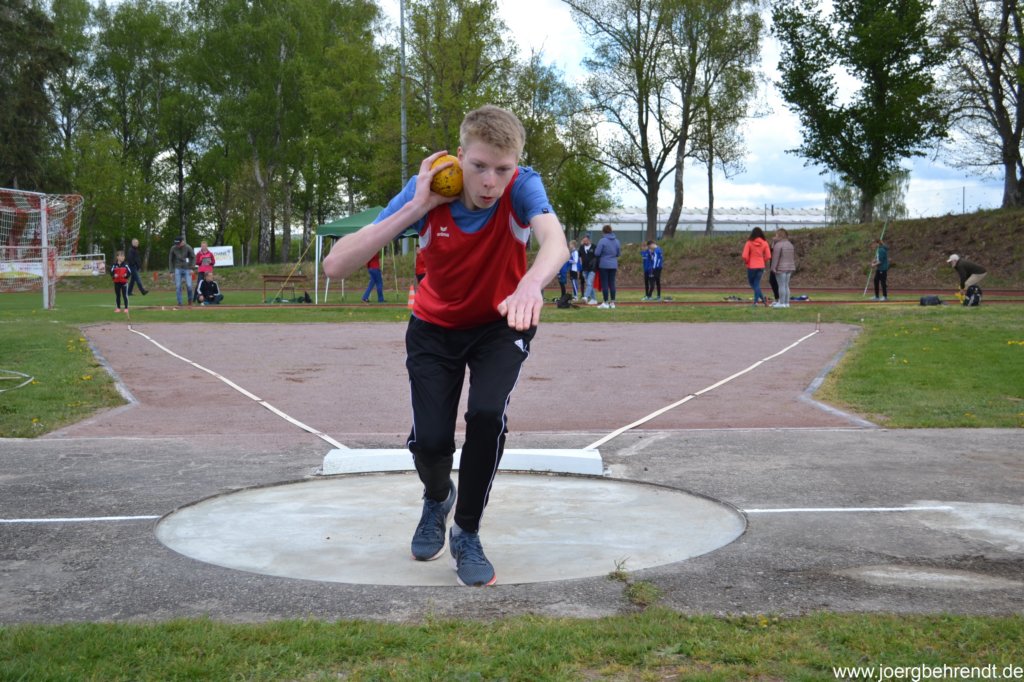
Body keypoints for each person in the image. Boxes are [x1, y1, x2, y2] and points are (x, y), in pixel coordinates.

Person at [321, 105, 568, 587]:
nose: (490, 182)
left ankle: (467, 532)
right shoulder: (431, 187)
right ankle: (437, 497)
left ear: (516, 165)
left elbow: (555, 242)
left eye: (502, 169)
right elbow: (336, 266)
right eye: (479, 166)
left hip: (503, 320)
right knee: (433, 442)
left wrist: (530, 284)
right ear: (459, 156)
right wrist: (417, 206)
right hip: (434, 327)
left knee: (486, 415)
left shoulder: (522, 187)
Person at [742, 227, 772, 307]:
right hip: (761, 266)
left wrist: (747, 262)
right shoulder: (765, 243)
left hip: (751, 266)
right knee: (756, 284)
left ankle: (756, 302)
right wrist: (763, 261)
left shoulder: (749, 242)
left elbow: (744, 256)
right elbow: (768, 256)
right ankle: (763, 301)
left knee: (752, 283)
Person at [594, 224, 620, 309]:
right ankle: (612, 303)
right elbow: (618, 254)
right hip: (613, 264)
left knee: (605, 283)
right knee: (612, 283)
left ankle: (605, 302)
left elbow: (597, 253)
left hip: (604, 264)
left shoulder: (602, 240)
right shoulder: (617, 241)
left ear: (603, 231)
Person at [770, 229, 796, 308]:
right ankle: (786, 303)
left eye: (776, 235)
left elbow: (775, 258)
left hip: (781, 268)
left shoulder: (778, 245)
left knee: (781, 285)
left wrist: (773, 268)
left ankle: (781, 303)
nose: (775, 236)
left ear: (779, 235)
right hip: (790, 267)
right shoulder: (790, 244)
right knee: (786, 285)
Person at [168, 236, 195, 306]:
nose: (177, 245)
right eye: (176, 244)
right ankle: (180, 302)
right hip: (178, 268)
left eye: (178, 244)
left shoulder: (188, 247)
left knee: (189, 286)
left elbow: (193, 257)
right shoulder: (173, 248)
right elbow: (170, 260)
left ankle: (190, 300)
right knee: (178, 286)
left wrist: (192, 268)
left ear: (182, 242)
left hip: (187, 268)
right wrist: (171, 271)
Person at [578, 233, 598, 304]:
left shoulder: (594, 247)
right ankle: (594, 299)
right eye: (584, 241)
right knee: (589, 284)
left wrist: (595, 265)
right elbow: (579, 256)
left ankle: (585, 297)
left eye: (586, 241)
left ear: (589, 240)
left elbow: (597, 257)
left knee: (589, 282)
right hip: (584, 269)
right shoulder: (581, 247)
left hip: (592, 269)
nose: (585, 242)